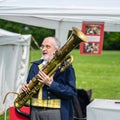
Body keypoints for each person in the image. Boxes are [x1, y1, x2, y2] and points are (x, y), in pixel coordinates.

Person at [21, 37, 77, 120]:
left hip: (55, 112)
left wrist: (51, 83)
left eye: (48, 46)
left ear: (57, 50)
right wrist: (25, 88)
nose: (44, 49)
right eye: (42, 46)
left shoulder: (66, 67)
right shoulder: (35, 66)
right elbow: (29, 85)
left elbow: (71, 93)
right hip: (35, 112)